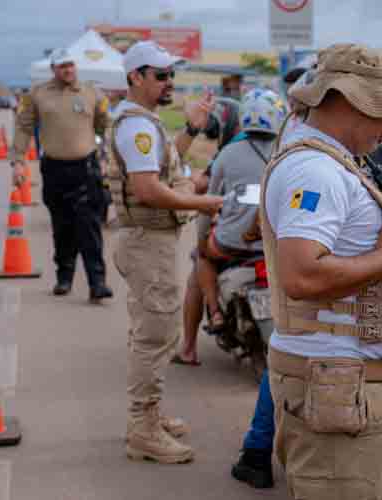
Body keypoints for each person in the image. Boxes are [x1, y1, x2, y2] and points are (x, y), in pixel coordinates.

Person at [259, 43, 382, 499]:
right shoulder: (316, 171)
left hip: (345, 383)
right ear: (348, 100)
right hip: (334, 386)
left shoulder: (331, 163)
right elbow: (301, 275)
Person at [110, 41, 224, 464]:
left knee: (150, 331)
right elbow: (147, 189)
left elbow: (160, 165)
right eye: (159, 75)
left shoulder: (143, 122)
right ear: (135, 78)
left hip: (149, 241)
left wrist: (192, 128)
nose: (168, 82)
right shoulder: (136, 126)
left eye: (170, 74)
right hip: (148, 242)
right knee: (156, 336)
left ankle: (149, 416)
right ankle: (142, 428)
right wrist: (205, 202)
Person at [10, 48, 113, 300]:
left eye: (71, 65)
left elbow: (105, 124)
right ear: (53, 68)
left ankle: (97, 282)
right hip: (54, 168)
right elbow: (24, 127)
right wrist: (18, 162)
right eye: (62, 66)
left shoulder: (91, 92)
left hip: (86, 168)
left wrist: (107, 155)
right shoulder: (38, 93)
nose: (68, 70)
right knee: (63, 226)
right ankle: (64, 277)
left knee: (89, 226)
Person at [194, 88, 285, 331]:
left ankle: (215, 313)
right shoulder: (289, 152)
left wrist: (201, 238)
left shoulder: (227, 153)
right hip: (276, 244)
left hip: (230, 242)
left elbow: (209, 201)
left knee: (201, 256)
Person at [174, 97, 243, 366]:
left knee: (199, 264)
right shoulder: (278, 149)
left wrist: (187, 179)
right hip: (268, 239)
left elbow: (202, 186)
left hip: (234, 237)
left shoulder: (229, 152)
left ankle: (189, 347)